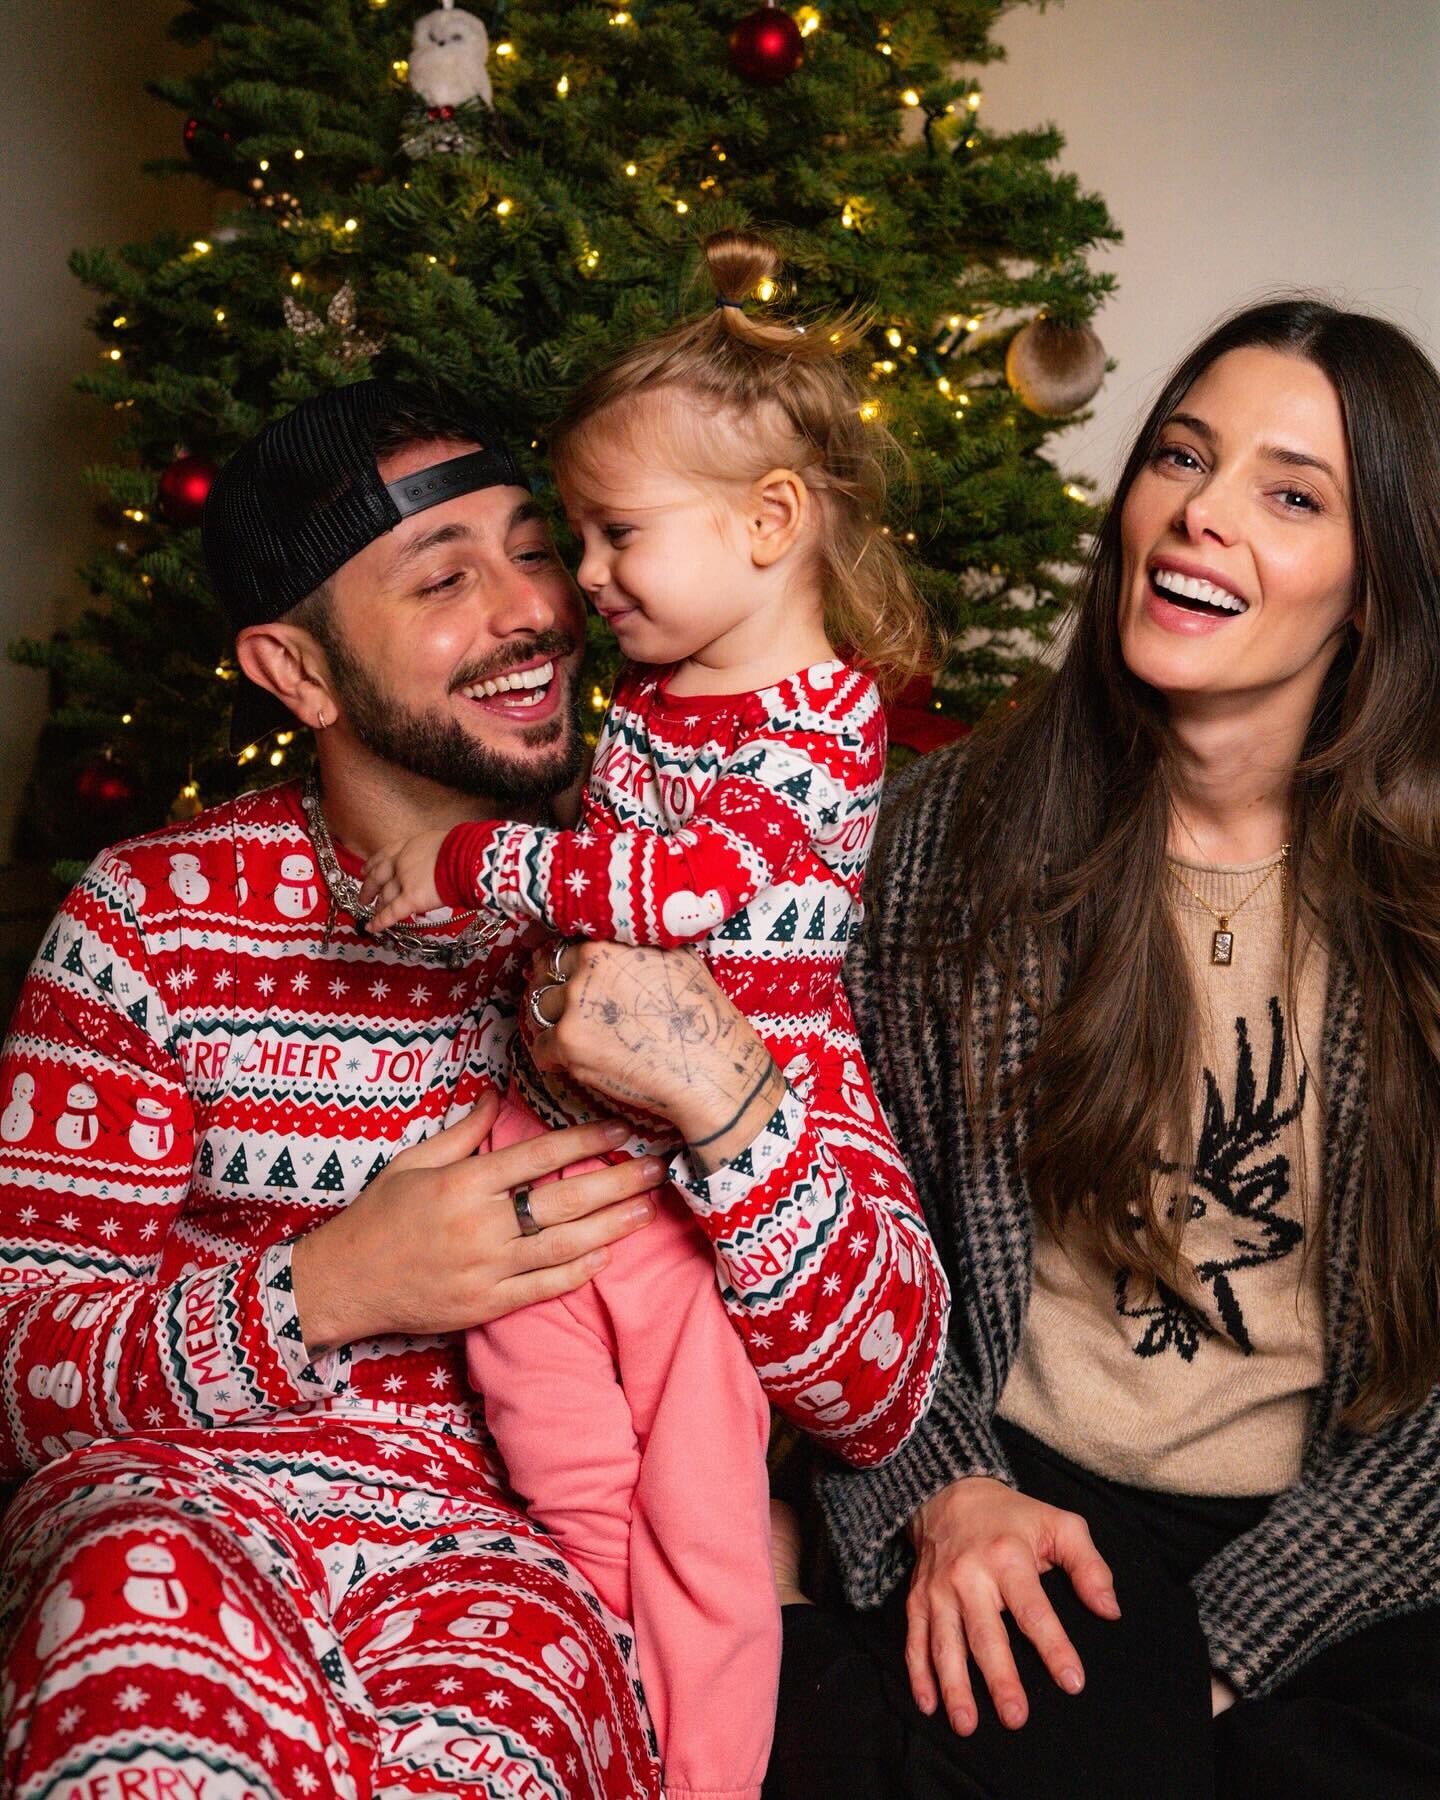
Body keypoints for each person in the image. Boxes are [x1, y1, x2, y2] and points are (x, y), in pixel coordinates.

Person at [0, 379, 943, 1799]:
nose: (537, 609)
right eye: (446, 578)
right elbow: (18, 1378)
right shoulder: (150, 919)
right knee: (142, 1693)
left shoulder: (695, 909)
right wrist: (334, 1285)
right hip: (179, 1512)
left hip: (514, 1567)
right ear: (297, 671)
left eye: (537, 549)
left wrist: (723, 1094)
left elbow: (878, 1393)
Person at [767, 299, 1440, 1800]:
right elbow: (834, 1237)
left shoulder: (1423, 907)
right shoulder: (941, 843)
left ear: (1375, 590)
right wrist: (944, 1491)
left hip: (1339, 1514)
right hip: (1027, 1490)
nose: (1202, 512)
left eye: (1293, 496)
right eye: (1181, 456)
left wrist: (1222, 1651)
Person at [357, 230, 949, 1800]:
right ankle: (602, 1657)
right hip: (570, 1123)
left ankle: (704, 1760)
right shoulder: (657, 699)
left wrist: (470, 859)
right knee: (545, 1418)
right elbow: (598, 905)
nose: (588, 578)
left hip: (719, 1148)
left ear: (769, 523)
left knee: (700, 1511)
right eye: (586, 537)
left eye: (618, 535)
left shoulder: (820, 716)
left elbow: (680, 889)